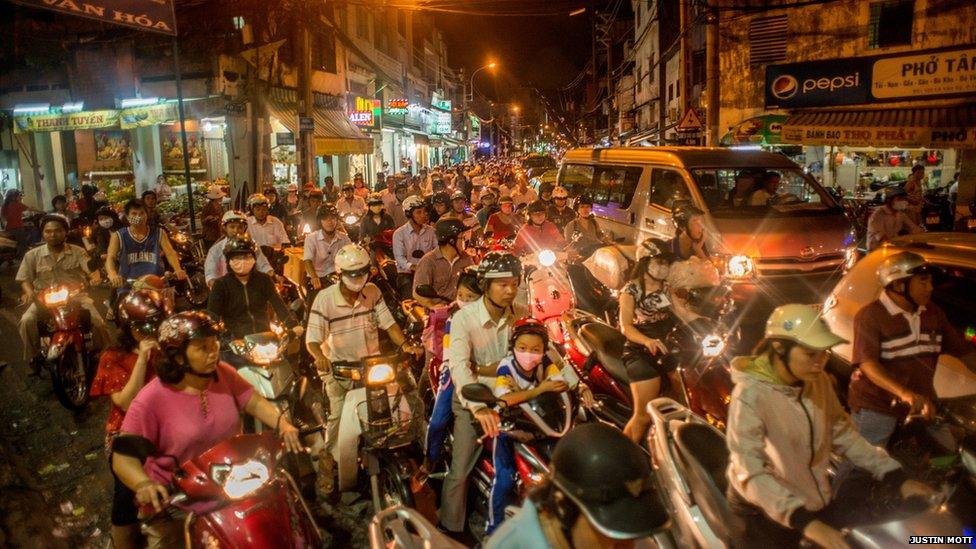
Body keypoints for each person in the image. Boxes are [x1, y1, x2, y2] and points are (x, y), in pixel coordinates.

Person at [726, 304, 934, 548]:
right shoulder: (749, 396)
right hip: (761, 510)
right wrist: (805, 522)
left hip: (809, 498)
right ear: (778, 348)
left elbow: (843, 434)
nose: (820, 362)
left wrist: (894, 475)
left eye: (824, 353)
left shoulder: (817, 381)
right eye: (810, 354)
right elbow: (750, 470)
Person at [111, 310, 303, 546]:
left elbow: (253, 401)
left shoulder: (223, 373)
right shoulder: (150, 400)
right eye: (203, 348)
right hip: (179, 503)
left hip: (233, 485)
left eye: (214, 344)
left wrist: (284, 424)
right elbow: (122, 459)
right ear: (178, 356)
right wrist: (144, 484)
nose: (214, 353)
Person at [304, 245, 420, 488]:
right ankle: (330, 459)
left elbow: (389, 324)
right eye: (351, 274)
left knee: (398, 404)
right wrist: (319, 356)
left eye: (362, 273)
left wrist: (406, 345)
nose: (357, 279)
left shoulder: (373, 291)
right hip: (338, 368)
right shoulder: (325, 299)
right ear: (340, 273)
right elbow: (313, 339)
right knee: (337, 414)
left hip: (372, 366)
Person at [847, 252, 976, 452]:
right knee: (865, 463)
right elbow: (867, 363)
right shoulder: (871, 316)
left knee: (949, 453)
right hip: (879, 406)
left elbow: (963, 352)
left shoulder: (933, 313)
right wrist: (904, 393)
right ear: (899, 285)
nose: (930, 288)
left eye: (930, 282)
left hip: (923, 404)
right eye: (923, 282)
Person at [439, 251, 521, 538]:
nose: (510, 290)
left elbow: (546, 351)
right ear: (485, 285)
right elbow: (460, 367)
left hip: (514, 399)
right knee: (460, 471)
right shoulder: (465, 318)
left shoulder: (521, 314)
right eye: (502, 284)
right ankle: (450, 528)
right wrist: (478, 408)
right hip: (475, 401)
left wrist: (576, 383)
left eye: (514, 283)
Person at [486, 423, 668, 548]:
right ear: (563, 509)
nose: (629, 546)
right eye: (610, 533)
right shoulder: (512, 544)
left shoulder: (630, 538)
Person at [89, 289, 166, 549]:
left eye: (155, 323)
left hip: (166, 426)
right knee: (126, 497)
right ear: (128, 327)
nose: (149, 331)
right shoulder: (113, 358)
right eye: (142, 326)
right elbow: (125, 402)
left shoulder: (168, 347)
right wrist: (143, 359)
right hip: (126, 434)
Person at [487, 317, 568, 534]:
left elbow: (560, 384)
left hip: (540, 425)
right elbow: (504, 399)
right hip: (507, 427)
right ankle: (493, 531)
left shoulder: (545, 364)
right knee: (504, 480)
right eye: (522, 347)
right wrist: (539, 390)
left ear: (544, 349)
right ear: (513, 347)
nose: (529, 353)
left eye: (535, 348)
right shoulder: (506, 366)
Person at [18, 214, 110, 365]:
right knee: (26, 321)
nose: (53, 235)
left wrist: (95, 276)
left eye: (58, 231)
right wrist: (29, 292)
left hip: (75, 297)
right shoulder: (32, 255)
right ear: (43, 233)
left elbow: (89, 268)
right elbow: (24, 279)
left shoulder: (78, 251)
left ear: (65, 232)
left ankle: (105, 353)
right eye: (48, 231)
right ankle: (33, 357)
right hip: (44, 299)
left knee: (98, 322)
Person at [420, 268, 482, 477]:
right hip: (453, 369)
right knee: (438, 420)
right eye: (461, 296)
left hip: (485, 369)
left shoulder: (493, 316)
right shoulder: (453, 319)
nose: (464, 300)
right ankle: (431, 458)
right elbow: (450, 353)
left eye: (470, 297)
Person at [618, 238, 677, 443]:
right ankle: (624, 459)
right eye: (659, 262)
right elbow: (626, 327)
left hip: (667, 347)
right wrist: (647, 341)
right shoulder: (630, 290)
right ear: (645, 261)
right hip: (640, 351)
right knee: (642, 416)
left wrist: (707, 322)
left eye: (666, 263)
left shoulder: (667, 288)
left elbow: (684, 313)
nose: (664, 267)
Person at [208, 237, 301, 346]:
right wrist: (217, 338)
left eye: (247, 256)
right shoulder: (221, 285)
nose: (243, 261)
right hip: (236, 342)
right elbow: (212, 316)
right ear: (229, 261)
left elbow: (278, 304)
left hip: (264, 339)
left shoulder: (264, 280)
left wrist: (293, 325)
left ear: (254, 259)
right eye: (237, 257)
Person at [106, 199, 186, 292]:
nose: (138, 217)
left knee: (169, 305)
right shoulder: (118, 235)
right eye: (134, 214)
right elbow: (110, 258)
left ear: (147, 215)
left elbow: (170, 252)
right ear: (127, 216)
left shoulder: (159, 232)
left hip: (157, 285)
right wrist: (113, 274)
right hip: (128, 287)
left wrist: (178, 269)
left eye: (142, 213)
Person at [412, 218, 475, 309]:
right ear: (451, 241)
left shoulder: (466, 258)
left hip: (463, 311)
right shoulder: (428, 261)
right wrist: (432, 306)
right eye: (462, 237)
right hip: (440, 314)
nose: (465, 241)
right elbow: (417, 294)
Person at [204, 210, 274, 285]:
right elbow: (210, 274)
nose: (236, 231)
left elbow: (263, 265)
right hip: (227, 291)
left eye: (240, 227)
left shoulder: (252, 246)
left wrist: (273, 274)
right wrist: (217, 286)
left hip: (252, 288)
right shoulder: (215, 250)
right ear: (225, 228)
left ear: (245, 228)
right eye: (232, 227)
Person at [392, 195, 437, 299]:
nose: (423, 215)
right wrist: (413, 267)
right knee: (410, 299)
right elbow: (400, 259)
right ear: (409, 214)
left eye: (424, 211)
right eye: (418, 212)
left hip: (428, 273)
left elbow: (437, 251)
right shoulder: (399, 233)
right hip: (407, 275)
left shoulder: (432, 231)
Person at [303, 204, 352, 297]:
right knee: (314, 307)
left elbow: (351, 254)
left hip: (338, 277)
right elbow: (307, 260)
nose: (330, 221)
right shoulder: (311, 238)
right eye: (325, 218)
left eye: (332, 218)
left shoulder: (344, 238)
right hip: (318, 278)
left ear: (337, 220)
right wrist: (314, 277)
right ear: (319, 221)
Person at [245, 192, 290, 263]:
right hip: (254, 260)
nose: (261, 212)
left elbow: (285, 241)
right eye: (258, 209)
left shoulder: (276, 222)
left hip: (274, 260)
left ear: (268, 210)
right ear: (252, 210)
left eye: (264, 209)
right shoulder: (247, 223)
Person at [2, 188, 40, 257]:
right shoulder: (17, 205)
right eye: (18, 196)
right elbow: (31, 209)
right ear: (13, 197)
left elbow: (4, 218)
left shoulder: (4, 206)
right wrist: (42, 212)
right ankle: (23, 257)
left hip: (8, 228)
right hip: (18, 228)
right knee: (22, 244)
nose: (20, 197)